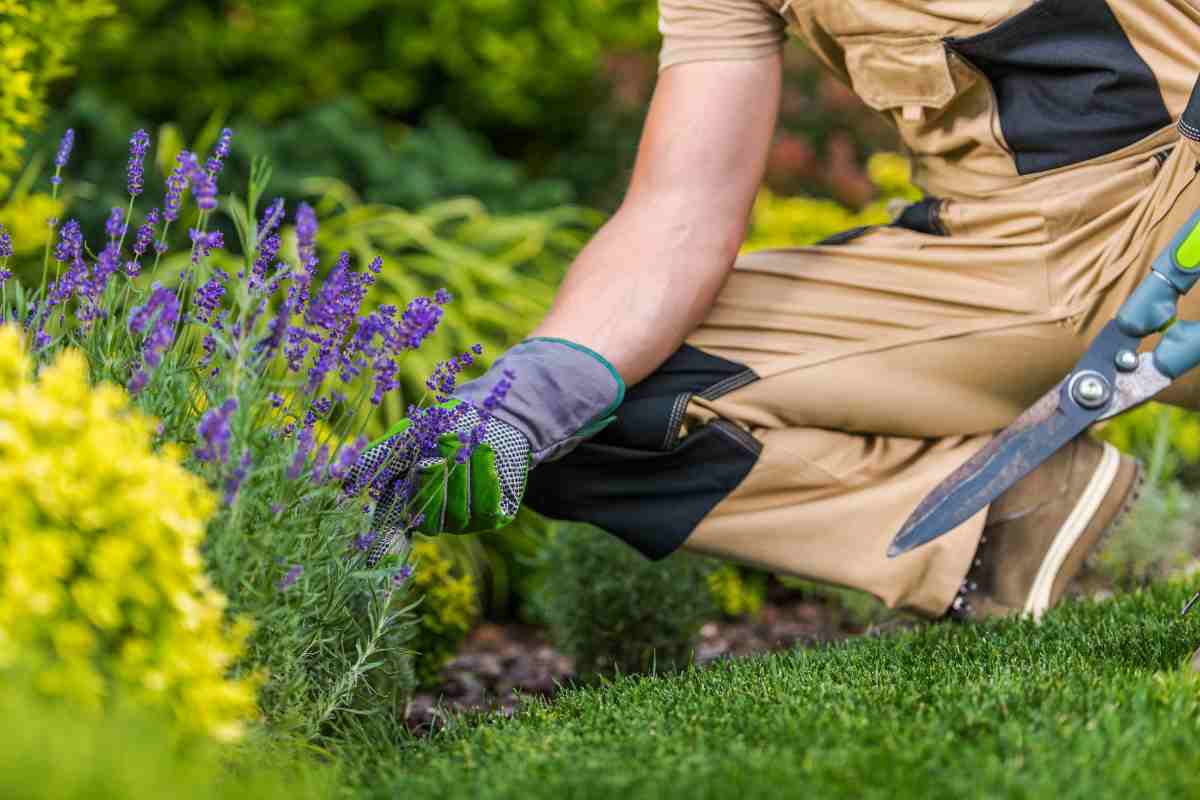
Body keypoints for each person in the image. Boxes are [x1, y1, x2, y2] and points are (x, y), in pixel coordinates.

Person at [354, 0, 1200, 621]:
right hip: (994, 256)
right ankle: (1007, 520)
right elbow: (676, 212)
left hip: (1180, 188)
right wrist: (529, 400)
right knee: (613, 412)